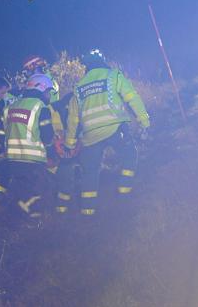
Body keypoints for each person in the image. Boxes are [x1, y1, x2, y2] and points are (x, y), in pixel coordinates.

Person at [63, 49, 150, 216]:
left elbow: (73, 119)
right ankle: (124, 195)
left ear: (86, 67)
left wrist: (69, 144)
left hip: (90, 135)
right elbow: (132, 97)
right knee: (130, 155)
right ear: (102, 62)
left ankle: (87, 212)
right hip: (114, 127)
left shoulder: (79, 87)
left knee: (90, 172)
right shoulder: (113, 75)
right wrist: (144, 121)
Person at [0, 73, 55, 221]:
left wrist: (6, 143)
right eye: (48, 91)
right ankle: (31, 222)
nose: (49, 95)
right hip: (33, 161)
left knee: (20, 191)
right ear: (41, 89)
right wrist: (52, 152)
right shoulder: (40, 107)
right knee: (38, 192)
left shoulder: (11, 106)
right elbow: (48, 136)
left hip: (11, 159)